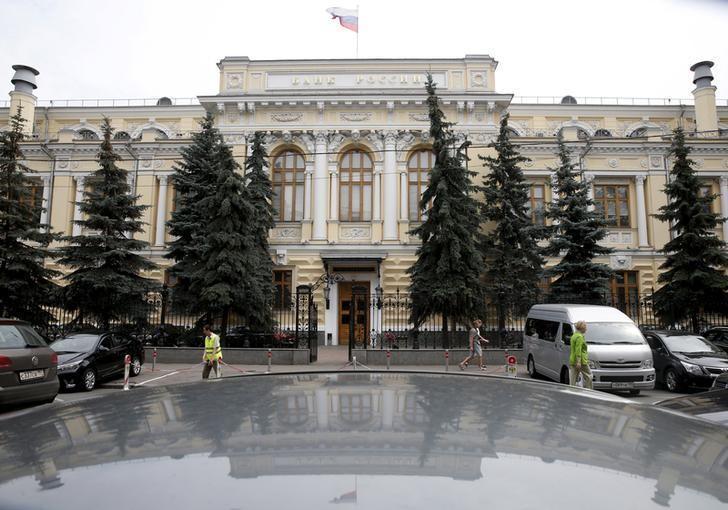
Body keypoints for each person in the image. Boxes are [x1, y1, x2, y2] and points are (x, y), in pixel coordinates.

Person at [569, 321, 593, 389]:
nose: (586, 329)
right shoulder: (580, 337)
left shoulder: (574, 336)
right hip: (581, 361)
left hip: (572, 360)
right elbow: (578, 349)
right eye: (585, 327)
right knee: (589, 376)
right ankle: (589, 392)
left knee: (572, 379)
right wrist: (579, 361)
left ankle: (572, 393)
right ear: (582, 328)